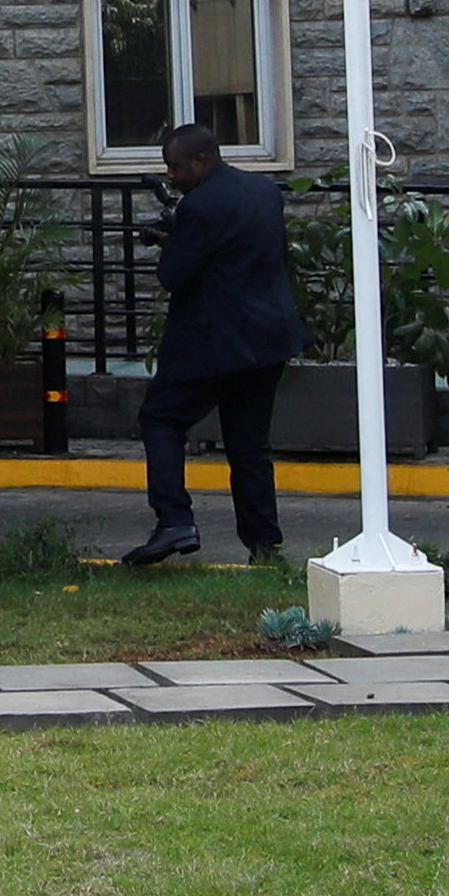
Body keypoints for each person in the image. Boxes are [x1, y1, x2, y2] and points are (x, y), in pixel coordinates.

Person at [128, 121, 305, 566]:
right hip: (268, 339)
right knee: (249, 445)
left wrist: (166, 244)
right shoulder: (264, 191)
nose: (170, 176)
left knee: (161, 418)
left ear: (201, 161)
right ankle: (265, 546)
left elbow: (174, 276)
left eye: (175, 167)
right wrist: (179, 238)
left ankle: (174, 520)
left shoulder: (200, 206)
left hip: (215, 343)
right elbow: (237, 251)